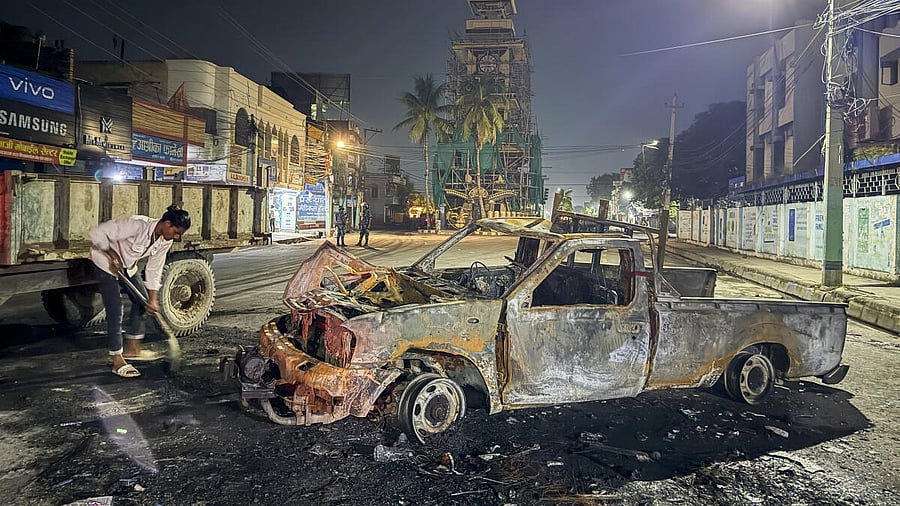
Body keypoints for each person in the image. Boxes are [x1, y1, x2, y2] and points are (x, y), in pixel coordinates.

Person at [89, 205, 191, 378]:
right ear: (167, 223)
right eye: (176, 232)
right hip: (104, 262)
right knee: (115, 310)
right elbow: (96, 232)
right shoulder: (137, 224)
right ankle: (117, 359)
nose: (177, 237)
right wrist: (111, 253)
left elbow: (154, 269)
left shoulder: (165, 241)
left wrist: (152, 299)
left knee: (143, 302)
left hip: (127, 267)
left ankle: (132, 348)